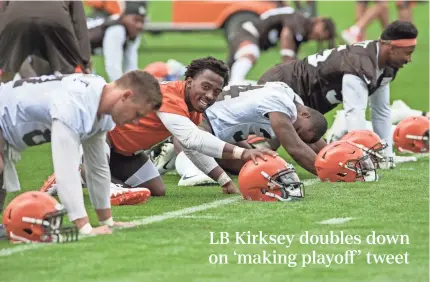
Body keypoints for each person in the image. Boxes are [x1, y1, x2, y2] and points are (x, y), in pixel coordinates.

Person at [0, 71, 162, 238]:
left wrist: (106, 221)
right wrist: (84, 227)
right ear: (126, 96)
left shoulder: (99, 103)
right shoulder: (75, 104)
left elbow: (97, 168)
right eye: (138, 114)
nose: (136, 122)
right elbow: (67, 172)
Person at [103, 57, 275, 196]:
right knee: (114, 183)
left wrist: (224, 180)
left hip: (126, 152)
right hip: (102, 139)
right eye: (206, 87)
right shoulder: (169, 96)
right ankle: (89, 176)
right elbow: (193, 139)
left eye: (216, 92)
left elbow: (190, 148)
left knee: (156, 190)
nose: (209, 95)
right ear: (190, 81)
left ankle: (104, 177)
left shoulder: (192, 107)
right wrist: (242, 152)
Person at [258, 20, 418, 168]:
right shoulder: (359, 62)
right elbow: (354, 113)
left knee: (324, 151)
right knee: (281, 143)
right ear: (391, 47)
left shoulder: (385, 65)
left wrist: (387, 156)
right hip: (284, 84)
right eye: (407, 52)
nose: (409, 59)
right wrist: (361, 158)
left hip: (304, 100)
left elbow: (381, 112)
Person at [174, 82, 328, 186]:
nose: (295, 133)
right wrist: (328, 172)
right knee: (193, 138)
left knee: (255, 166)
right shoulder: (281, 102)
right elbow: (296, 148)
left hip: (222, 129)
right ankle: (189, 171)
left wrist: (338, 157)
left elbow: (311, 142)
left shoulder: (290, 101)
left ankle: (172, 151)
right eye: (298, 131)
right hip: (203, 116)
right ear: (305, 114)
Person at [227, 6, 335, 85]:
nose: (320, 36)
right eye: (325, 30)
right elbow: (286, 34)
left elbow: (293, 59)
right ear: (319, 22)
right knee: (250, 52)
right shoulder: (299, 19)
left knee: (226, 74)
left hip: (252, 36)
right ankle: (235, 82)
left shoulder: (301, 33)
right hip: (248, 31)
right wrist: (287, 61)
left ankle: (231, 84)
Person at [0, 1, 91, 83]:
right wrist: (84, 62)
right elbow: (79, 23)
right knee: (68, 72)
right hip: (54, 20)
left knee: (11, 63)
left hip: (16, 20)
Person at [88, 1, 147, 82]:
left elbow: (131, 66)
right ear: (124, 17)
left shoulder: (132, 33)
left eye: (142, 21)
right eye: (135, 20)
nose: (139, 25)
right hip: (70, 45)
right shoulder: (117, 29)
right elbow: (113, 66)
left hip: (85, 49)